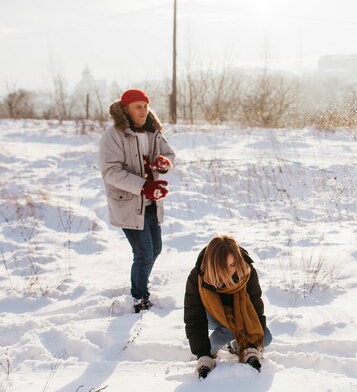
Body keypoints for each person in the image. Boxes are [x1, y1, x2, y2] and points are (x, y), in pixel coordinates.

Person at [99, 89, 175, 313]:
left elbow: (170, 155)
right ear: (126, 110)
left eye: (145, 106)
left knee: (156, 249)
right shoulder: (113, 135)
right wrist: (144, 187)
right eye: (137, 107)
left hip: (152, 203)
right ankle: (139, 297)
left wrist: (164, 163)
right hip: (128, 204)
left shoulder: (154, 132)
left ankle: (140, 285)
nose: (143, 111)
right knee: (143, 253)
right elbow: (111, 172)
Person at [184, 235, 272, 378]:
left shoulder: (246, 272)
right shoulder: (198, 278)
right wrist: (203, 354)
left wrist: (252, 346)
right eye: (225, 266)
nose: (231, 270)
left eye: (233, 264)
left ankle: (236, 346)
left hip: (241, 316)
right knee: (222, 335)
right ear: (214, 264)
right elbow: (194, 318)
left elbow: (256, 307)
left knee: (266, 338)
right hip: (213, 316)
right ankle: (227, 340)